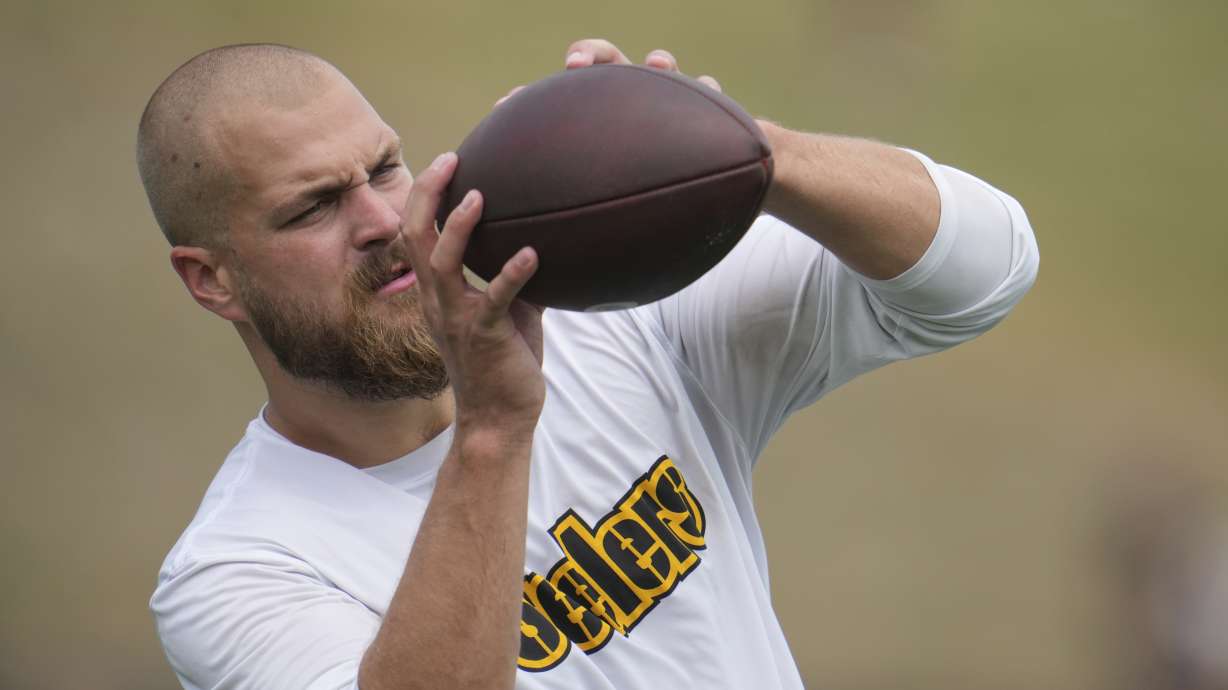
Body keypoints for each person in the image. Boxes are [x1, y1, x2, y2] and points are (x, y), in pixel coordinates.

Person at [139, 39, 1038, 690]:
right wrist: (493, 430)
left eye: (383, 168)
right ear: (211, 280)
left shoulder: (609, 320)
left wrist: (745, 151)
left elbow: (983, 274)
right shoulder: (239, 570)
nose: (379, 218)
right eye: (313, 209)